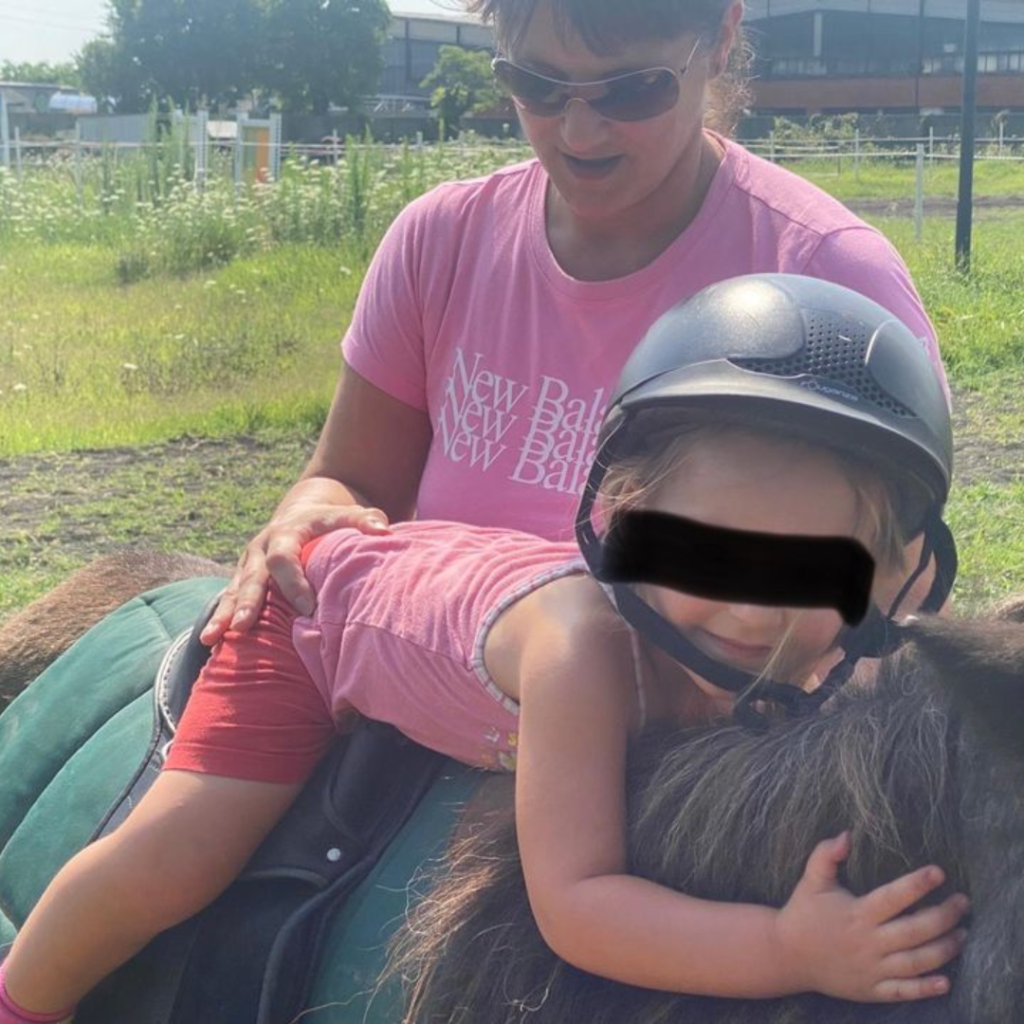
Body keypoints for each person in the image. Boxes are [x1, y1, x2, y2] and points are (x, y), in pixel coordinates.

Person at [0, 275, 966, 1020]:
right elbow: (578, 905)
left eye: (812, 574)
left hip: (467, 587)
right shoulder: (582, 657)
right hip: (318, 621)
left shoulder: (834, 645)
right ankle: (27, 995)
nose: (753, 617)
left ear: (898, 575)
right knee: (178, 855)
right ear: (625, 518)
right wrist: (789, 950)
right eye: (706, 555)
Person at [199, 0, 949, 648]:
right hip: (438, 681)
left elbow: (896, 594)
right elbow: (355, 478)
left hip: (705, 736)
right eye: (537, 84)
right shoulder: (441, 241)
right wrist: (309, 515)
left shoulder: (829, 280)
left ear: (721, 39)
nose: (580, 132)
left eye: (633, 89)